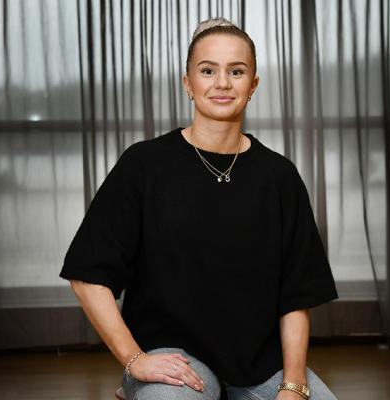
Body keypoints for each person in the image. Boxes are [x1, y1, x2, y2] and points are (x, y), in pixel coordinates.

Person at [59, 17, 338, 400]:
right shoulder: (144, 165)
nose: (222, 83)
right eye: (208, 71)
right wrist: (134, 359)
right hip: (174, 358)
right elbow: (88, 275)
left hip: (259, 364)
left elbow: (297, 295)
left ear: (253, 84)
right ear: (188, 83)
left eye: (236, 71)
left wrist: (293, 385)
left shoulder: (280, 176)